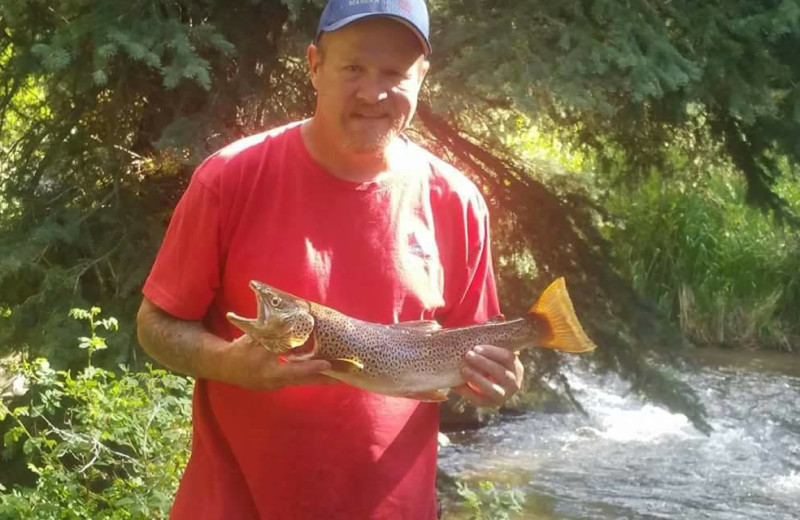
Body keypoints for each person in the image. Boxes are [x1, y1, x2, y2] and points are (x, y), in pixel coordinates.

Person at [136, 1, 524, 518]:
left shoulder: (456, 201)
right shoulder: (229, 180)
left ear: (422, 76)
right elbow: (155, 324)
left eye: (394, 72)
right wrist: (227, 364)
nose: (373, 93)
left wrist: (492, 383)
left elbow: (469, 357)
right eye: (353, 68)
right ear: (314, 65)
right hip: (234, 505)